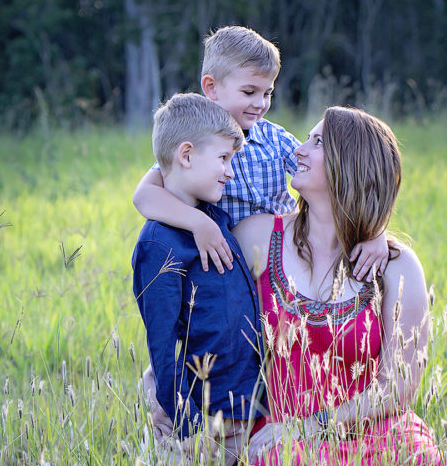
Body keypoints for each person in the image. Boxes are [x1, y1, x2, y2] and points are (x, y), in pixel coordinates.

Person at [232, 106, 447, 466]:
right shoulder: (258, 237)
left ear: (352, 164)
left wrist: (311, 426)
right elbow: (204, 313)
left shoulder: (395, 267)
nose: (299, 150)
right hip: (281, 434)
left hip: (376, 433)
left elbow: (399, 388)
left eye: (318, 142)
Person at [132, 26, 388, 280]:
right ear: (211, 87)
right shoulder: (197, 143)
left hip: (287, 258)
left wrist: (375, 232)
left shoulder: (274, 138)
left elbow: (329, 174)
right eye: (249, 92)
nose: (260, 103)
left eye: (267, 93)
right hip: (226, 263)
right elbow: (144, 195)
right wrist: (199, 223)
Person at [131, 93, 265, 466]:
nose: (230, 172)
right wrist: (188, 428)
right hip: (199, 423)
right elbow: (164, 344)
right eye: (223, 160)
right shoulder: (159, 244)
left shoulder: (213, 220)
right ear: (186, 155)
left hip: (243, 407)